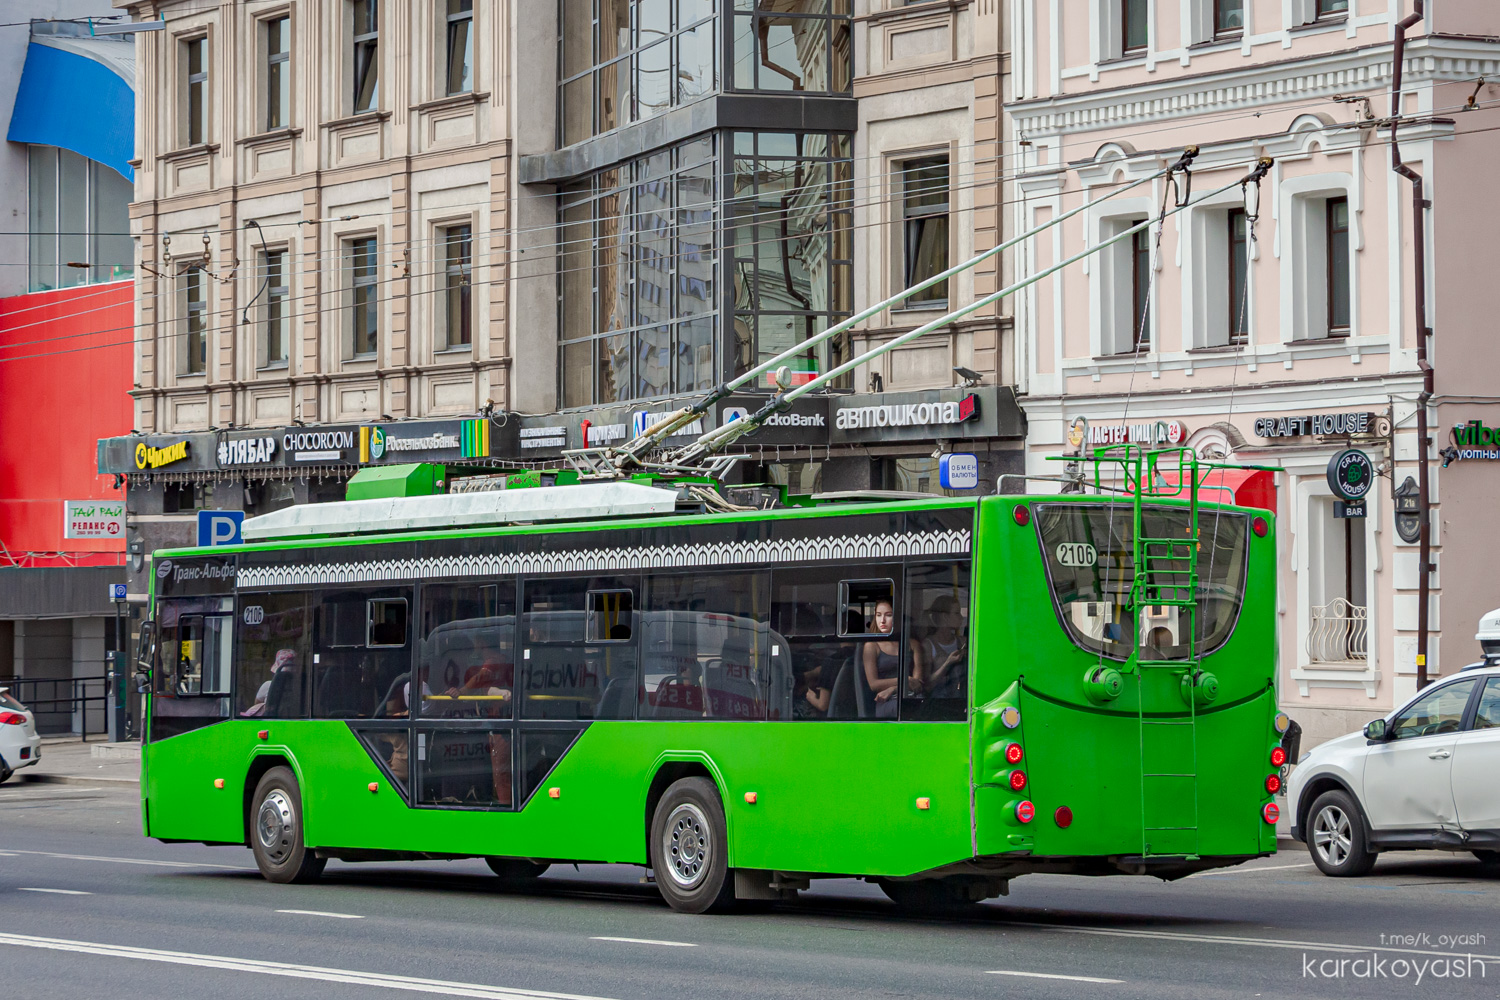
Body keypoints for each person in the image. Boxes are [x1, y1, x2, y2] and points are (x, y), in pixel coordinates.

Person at [915, 596, 967, 700]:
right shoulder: (928, 645)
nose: (961, 618)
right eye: (956, 613)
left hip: (961, 702)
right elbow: (927, 685)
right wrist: (948, 663)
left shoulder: (963, 642)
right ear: (945, 617)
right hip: (937, 704)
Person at [863, 599, 905, 719]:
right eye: (878, 615)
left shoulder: (911, 644)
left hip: (909, 695)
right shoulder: (871, 645)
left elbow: (918, 682)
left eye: (888, 615)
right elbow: (873, 684)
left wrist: (894, 688)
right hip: (886, 700)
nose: (882, 621)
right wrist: (905, 681)